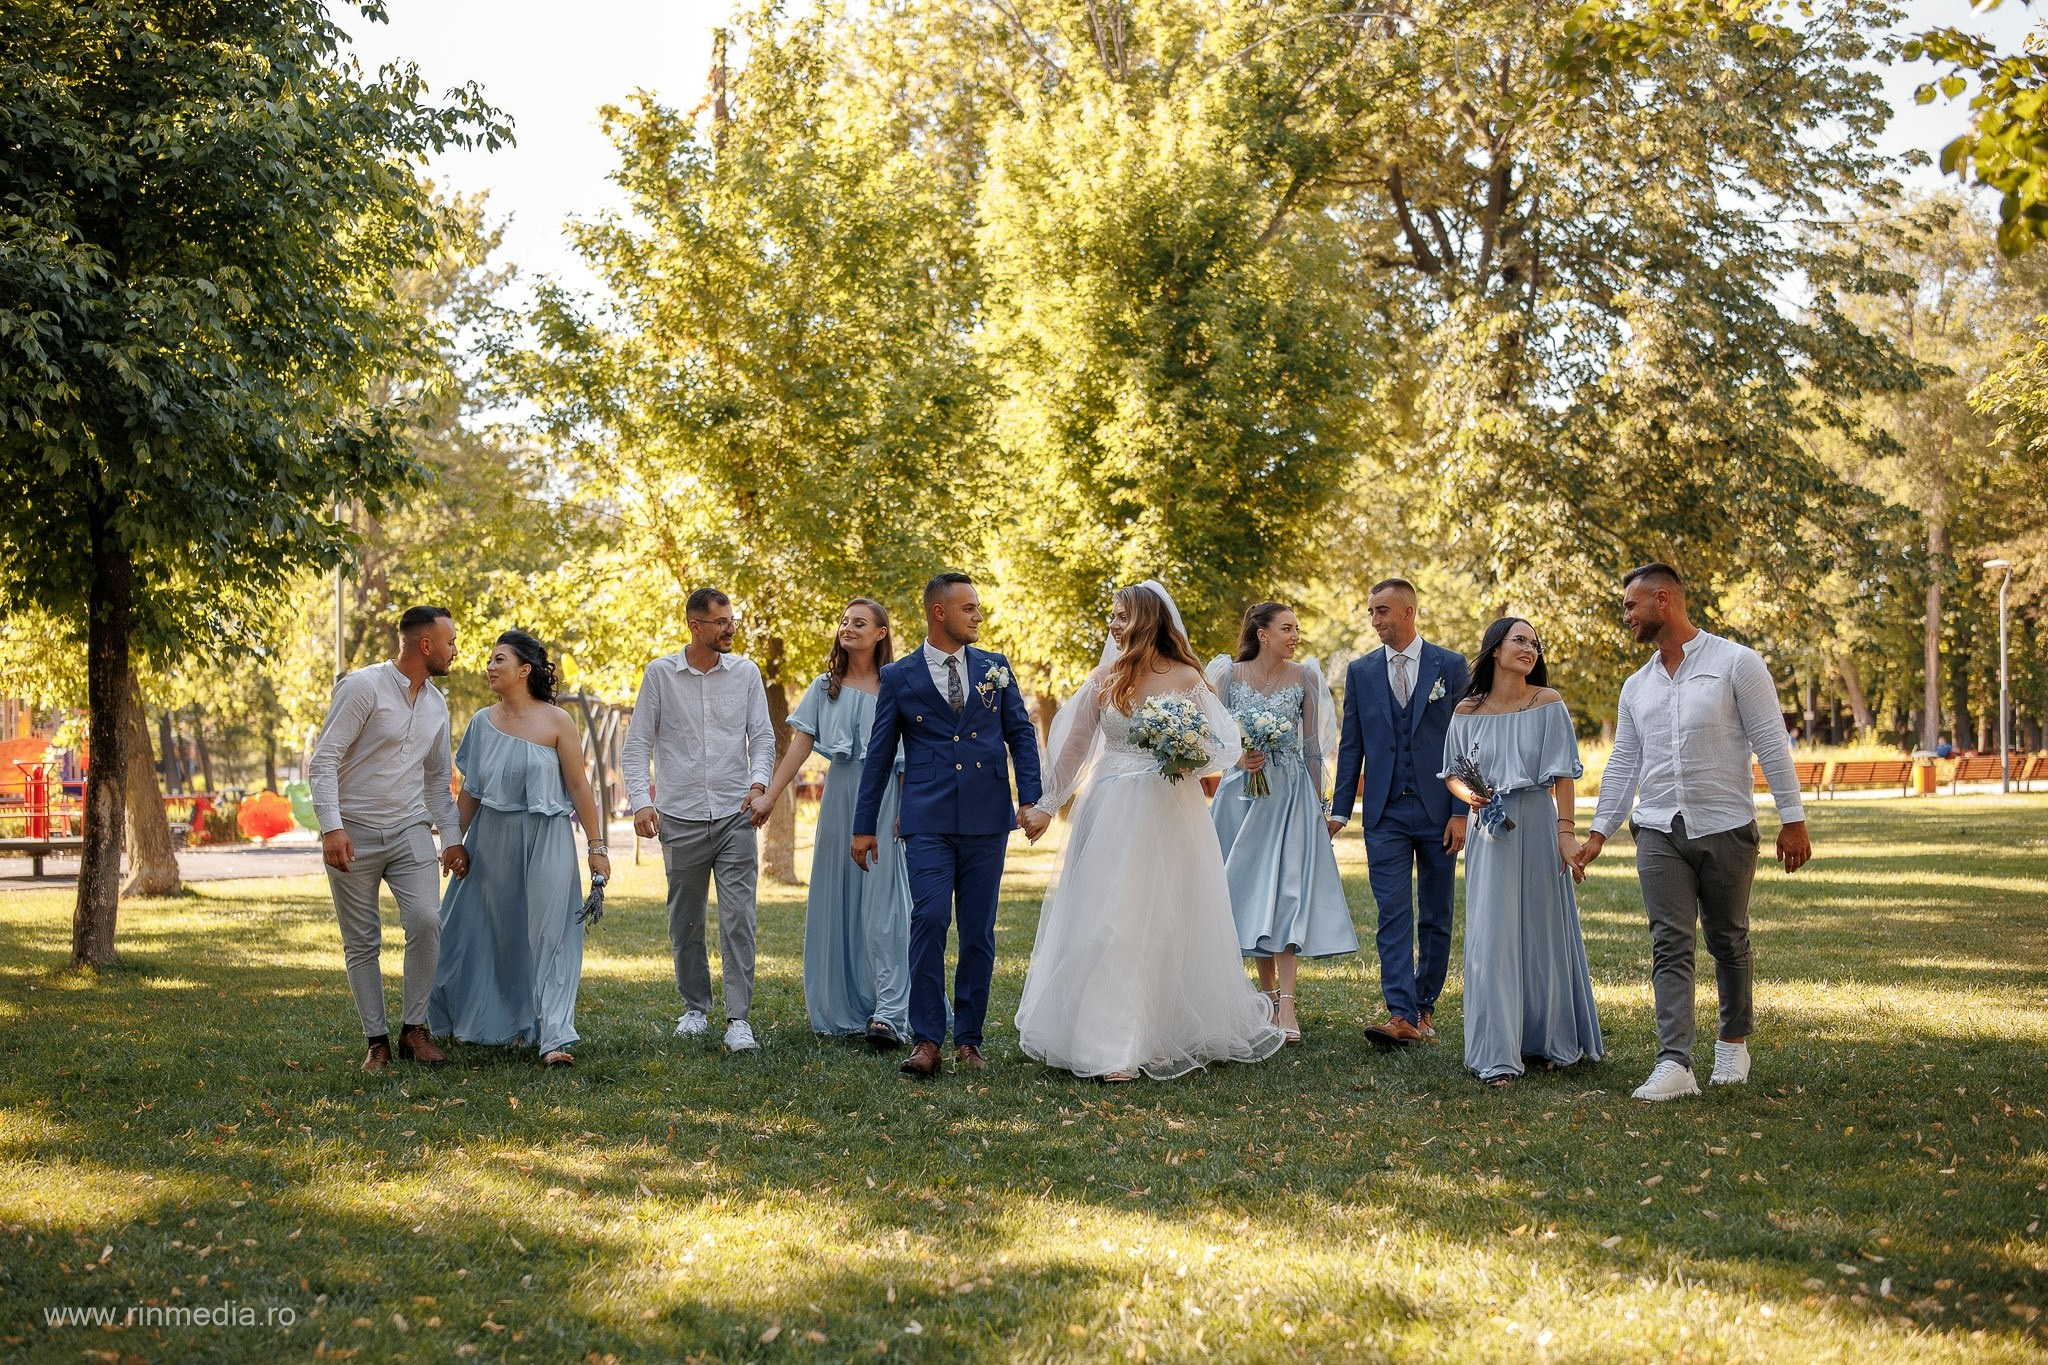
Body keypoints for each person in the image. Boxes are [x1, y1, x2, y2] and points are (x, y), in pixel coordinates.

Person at [1015, 582, 1287, 1082]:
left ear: (1147, 620)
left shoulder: (1187, 677)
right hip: (1112, 809)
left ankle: (1159, 1034)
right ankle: (1112, 1046)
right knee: (1110, 921)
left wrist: (1183, 753)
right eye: (1112, 617)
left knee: (1164, 922)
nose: (1113, 626)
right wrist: (1047, 806)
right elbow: (1073, 746)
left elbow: (1222, 744)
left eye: (1121, 617)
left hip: (1169, 810)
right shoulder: (1105, 678)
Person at [1574, 563, 1813, 1101]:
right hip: (1658, 829)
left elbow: (1772, 743)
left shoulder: (1736, 663)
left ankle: (1732, 1044)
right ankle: (1674, 1063)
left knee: (1728, 937)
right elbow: (1623, 764)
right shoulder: (1637, 686)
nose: (1627, 616)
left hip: (1726, 824)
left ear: (1664, 599)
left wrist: (1792, 818)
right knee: (1669, 942)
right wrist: (1598, 833)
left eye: (1632, 605)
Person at [851, 572, 1044, 1079]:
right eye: (969, 608)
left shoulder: (995, 667)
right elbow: (877, 757)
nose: (978, 616)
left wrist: (1031, 799)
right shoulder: (899, 676)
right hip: (927, 820)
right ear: (939, 613)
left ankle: (970, 1040)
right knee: (930, 919)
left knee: (978, 932)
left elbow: (1021, 735)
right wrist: (863, 825)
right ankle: (927, 1040)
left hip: (986, 819)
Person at [428, 631, 611, 1066]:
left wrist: (597, 845)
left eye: (499, 660)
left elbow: (580, 787)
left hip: (548, 838)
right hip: (491, 840)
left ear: (525, 670)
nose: (490, 667)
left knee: (553, 931)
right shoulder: (479, 722)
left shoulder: (557, 722)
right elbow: (470, 791)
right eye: (489, 661)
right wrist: (454, 842)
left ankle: (554, 1038)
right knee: (490, 931)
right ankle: (504, 1021)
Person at [1441, 618, 1603, 1086]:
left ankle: (1549, 1041)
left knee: (1541, 931)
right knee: (1492, 936)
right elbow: (1451, 771)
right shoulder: (1466, 710)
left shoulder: (1547, 703)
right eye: (1520, 640)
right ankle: (1496, 1052)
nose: (1530, 648)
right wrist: (1470, 796)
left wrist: (1566, 833)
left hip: (1535, 820)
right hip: (1489, 829)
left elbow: (1564, 775)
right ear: (1495, 649)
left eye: (1535, 643)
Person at [751, 598, 916, 1049]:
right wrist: (768, 794)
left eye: (859, 623)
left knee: (885, 907)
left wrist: (909, 808)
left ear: (881, 633)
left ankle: (891, 1011)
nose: (848, 628)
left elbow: (913, 758)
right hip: (840, 798)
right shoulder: (826, 687)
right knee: (839, 897)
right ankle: (844, 1007)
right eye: (844, 621)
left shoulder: (899, 685)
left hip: (886, 800)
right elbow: (800, 748)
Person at [308, 605, 467, 1073]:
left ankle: (413, 1029)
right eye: (451, 642)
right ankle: (376, 1041)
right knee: (362, 942)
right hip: (352, 833)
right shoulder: (363, 687)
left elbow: (439, 782)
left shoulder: (438, 704)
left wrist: (452, 839)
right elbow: (324, 760)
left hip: (409, 828)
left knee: (425, 921)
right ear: (426, 645)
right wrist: (331, 827)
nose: (456, 650)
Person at [621, 588, 776, 1054]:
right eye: (721, 622)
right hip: (680, 815)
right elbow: (636, 747)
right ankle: (695, 1007)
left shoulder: (746, 673)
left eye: (732, 620)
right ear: (694, 626)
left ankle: (738, 1019)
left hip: (735, 815)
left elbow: (763, 739)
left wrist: (758, 785)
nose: (730, 628)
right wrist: (640, 802)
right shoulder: (660, 675)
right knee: (685, 920)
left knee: (738, 919)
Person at [1330, 578, 1471, 1047]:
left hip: (1438, 812)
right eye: (1371, 612)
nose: (1375, 620)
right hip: (1385, 813)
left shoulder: (1450, 666)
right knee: (1392, 911)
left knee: (1435, 912)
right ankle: (1400, 1012)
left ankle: (1424, 1008)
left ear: (1409, 612)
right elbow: (1352, 744)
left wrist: (1460, 811)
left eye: (1383, 611)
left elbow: (1464, 743)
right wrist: (1340, 809)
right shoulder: (1361, 671)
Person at [1207, 602, 1358, 1043]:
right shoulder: (1227, 676)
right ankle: (1267, 999)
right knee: (1251, 895)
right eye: (1286, 628)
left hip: (1291, 797)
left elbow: (1313, 748)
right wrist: (1239, 755)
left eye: (1297, 628)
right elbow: (1214, 739)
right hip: (1241, 793)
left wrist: (1320, 806)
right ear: (1262, 633)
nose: (1295, 635)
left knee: (1287, 893)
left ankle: (1288, 1005)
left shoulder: (1306, 676)